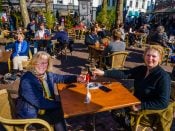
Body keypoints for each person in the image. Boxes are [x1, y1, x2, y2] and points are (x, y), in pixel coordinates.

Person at [94, 45, 171, 128]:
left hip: (148, 112)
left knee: (117, 112)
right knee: (115, 104)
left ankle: (128, 127)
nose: (150, 58)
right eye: (148, 55)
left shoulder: (163, 77)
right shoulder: (142, 69)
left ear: (160, 59)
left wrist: (141, 105)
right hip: (134, 102)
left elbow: (163, 102)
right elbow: (125, 73)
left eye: (154, 56)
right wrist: (103, 73)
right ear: (144, 56)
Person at [16, 51, 80, 131]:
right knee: (59, 112)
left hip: (44, 109)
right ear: (33, 63)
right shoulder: (27, 80)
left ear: (48, 64)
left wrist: (77, 78)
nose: (41, 66)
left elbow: (61, 78)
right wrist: (62, 105)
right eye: (38, 63)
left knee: (59, 112)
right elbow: (40, 102)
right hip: (31, 117)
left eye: (44, 63)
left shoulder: (47, 75)